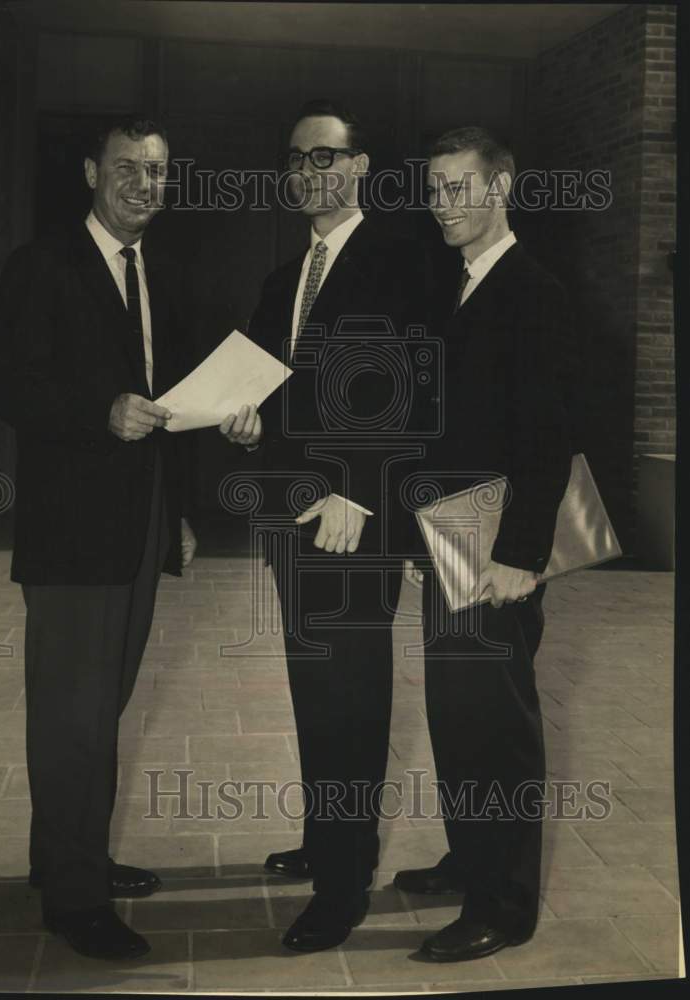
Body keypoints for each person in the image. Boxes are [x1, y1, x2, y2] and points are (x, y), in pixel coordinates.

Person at [0, 115, 197, 961]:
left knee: (98, 705)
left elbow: (166, 403)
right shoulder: (41, 265)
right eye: (126, 168)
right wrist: (98, 411)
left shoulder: (158, 273)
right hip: (70, 534)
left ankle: (61, 858)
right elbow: (9, 387)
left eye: (157, 171)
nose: (144, 185)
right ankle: (77, 903)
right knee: (72, 716)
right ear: (89, 173)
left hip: (138, 526)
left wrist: (175, 511)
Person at [220, 99, 426, 952]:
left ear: (360, 166)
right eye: (296, 158)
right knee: (315, 689)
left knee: (351, 698)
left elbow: (416, 389)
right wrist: (247, 424)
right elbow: (275, 392)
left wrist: (360, 491)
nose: (307, 172)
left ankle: (343, 885)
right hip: (291, 517)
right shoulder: (285, 279)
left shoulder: (401, 260)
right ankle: (323, 838)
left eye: (325, 157)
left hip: (356, 521)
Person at [394, 126, 575, 962]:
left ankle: (503, 905)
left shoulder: (533, 291)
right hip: (449, 537)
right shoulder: (456, 285)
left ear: (500, 188)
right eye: (433, 189)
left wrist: (521, 555)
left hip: (496, 546)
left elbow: (546, 434)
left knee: (497, 725)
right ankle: (471, 857)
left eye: (458, 187)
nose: (442, 204)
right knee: (456, 711)